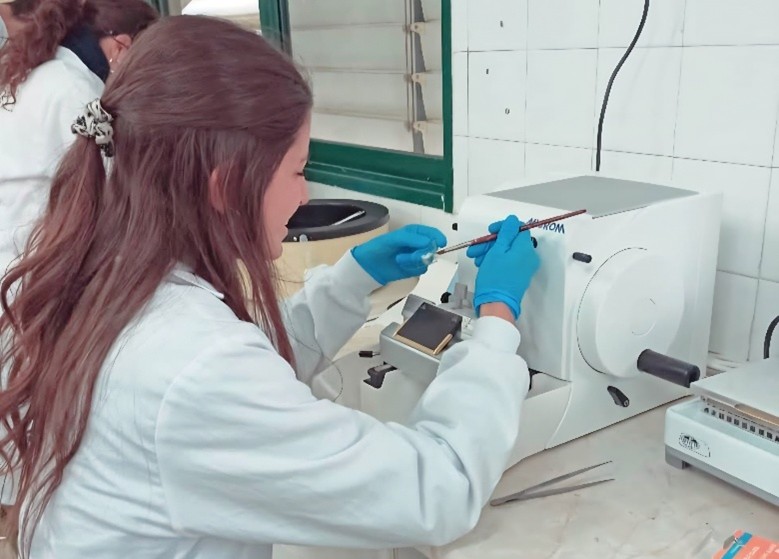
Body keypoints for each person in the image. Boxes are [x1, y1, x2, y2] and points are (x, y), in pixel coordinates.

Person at [0, 16, 540, 559]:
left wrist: (354, 277)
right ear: (228, 184)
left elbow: (258, 360)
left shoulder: (100, 276)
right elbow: (437, 492)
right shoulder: (191, 364)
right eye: (298, 170)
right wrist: (496, 321)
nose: (304, 196)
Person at [0, 0, 158, 277]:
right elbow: (118, 192)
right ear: (121, 48)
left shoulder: (30, 74)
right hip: (30, 275)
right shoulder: (78, 90)